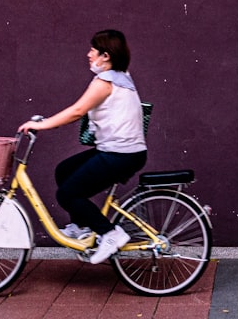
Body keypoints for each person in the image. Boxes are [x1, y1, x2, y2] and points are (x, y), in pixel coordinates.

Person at [18, 28, 147, 265]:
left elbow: (77, 111)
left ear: (105, 56)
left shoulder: (105, 82)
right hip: (122, 151)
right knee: (64, 171)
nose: (88, 55)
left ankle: (110, 233)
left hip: (120, 154)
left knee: (67, 193)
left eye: (93, 50)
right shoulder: (121, 76)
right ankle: (80, 227)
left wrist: (43, 125)